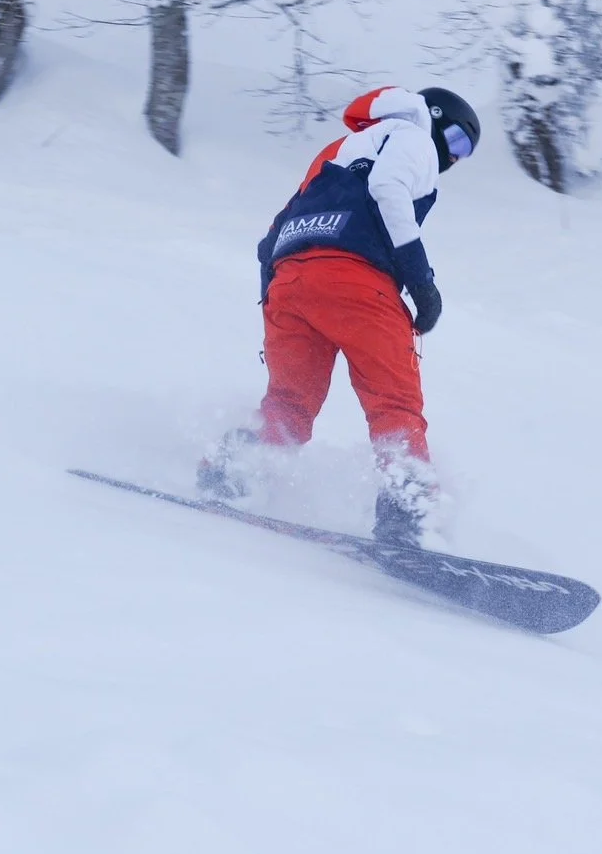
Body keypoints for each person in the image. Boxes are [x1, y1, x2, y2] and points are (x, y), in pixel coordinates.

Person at [198, 85, 481, 546]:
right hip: (357, 284)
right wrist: (421, 282)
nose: (455, 156)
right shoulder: (412, 136)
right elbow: (388, 188)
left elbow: (269, 241)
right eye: (458, 141)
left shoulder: (338, 150)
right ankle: (407, 518)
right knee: (395, 404)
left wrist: (275, 299)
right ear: (433, 118)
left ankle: (233, 472)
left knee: (291, 403)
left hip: (289, 283)